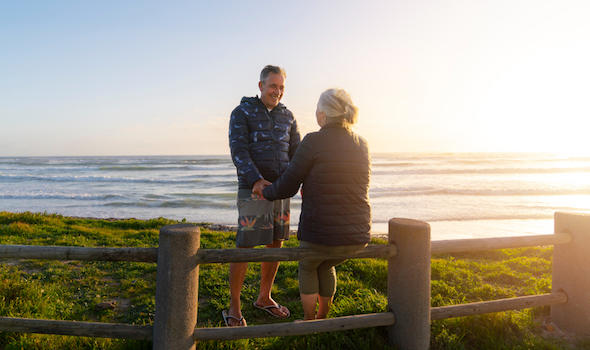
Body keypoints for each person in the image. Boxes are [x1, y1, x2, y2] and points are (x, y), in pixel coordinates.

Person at [263, 88, 371, 320]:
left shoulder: (313, 141)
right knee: (326, 264)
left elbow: (289, 185)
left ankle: (310, 321)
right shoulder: (362, 143)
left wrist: (266, 191)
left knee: (309, 264)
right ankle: (323, 318)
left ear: (322, 114)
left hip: (320, 234)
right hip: (356, 237)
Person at [225, 65, 300, 327]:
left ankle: (264, 297)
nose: (277, 91)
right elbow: (238, 150)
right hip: (253, 188)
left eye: (281, 87)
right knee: (245, 245)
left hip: (281, 189)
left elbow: (297, 152)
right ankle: (234, 306)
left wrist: (299, 180)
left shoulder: (288, 116)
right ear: (260, 86)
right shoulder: (242, 112)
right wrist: (256, 180)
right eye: (273, 86)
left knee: (276, 242)